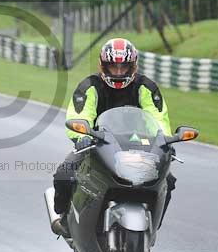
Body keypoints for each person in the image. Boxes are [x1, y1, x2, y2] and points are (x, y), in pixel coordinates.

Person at [51, 37, 176, 236]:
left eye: (123, 67)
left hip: (139, 148)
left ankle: (152, 227)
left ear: (132, 66)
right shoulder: (89, 86)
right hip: (95, 145)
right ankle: (65, 219)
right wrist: (80, 136)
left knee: (167, 181)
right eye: (113, 67)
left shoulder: (146, 87)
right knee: (64, 175)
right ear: (103, 66)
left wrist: (164, 142)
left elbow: (159, 118)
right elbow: (79, 115)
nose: (118, 72)